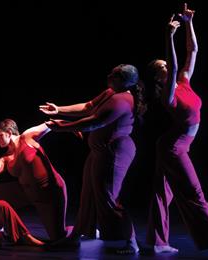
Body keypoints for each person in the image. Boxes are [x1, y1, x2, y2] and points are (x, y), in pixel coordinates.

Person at [145, 4, 208, 259]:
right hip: (173, 149)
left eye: (166, 63)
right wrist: (168, 37)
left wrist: (188, 23)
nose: (168, 66)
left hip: (175, 144)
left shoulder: (183, 82)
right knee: (195, 196)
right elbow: (176, 61)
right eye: (163, 67)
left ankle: (158, 242)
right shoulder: (168, 96)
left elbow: (193, 50)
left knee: (161, 192)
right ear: (159, 78)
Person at [39, 63, 146, 254]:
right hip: (99, 151)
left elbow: (93, 122)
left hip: (114, 153)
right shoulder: (111, 93)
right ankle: (76, 236)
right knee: (87, 195)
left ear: (123, 80)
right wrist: (59, 109)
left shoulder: (122, 101)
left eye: (114, 74)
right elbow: (88, 106)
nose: (109, 75)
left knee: (110, 199)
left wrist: (62, 126)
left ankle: (132, 243)